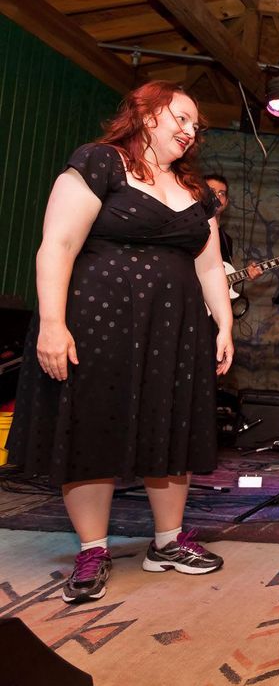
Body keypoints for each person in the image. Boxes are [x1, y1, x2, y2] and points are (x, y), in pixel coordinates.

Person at [7, 80, 233, 604]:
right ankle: (92, 549)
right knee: (93, 427)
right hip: (98, 321)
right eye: (181, 116)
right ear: (147, 112)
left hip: (175, 331)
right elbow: (57, 245)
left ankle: (170, 543)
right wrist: (51, 322)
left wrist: (223, 324)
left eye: (195, 125)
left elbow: (208, 265)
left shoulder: (197, 192)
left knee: (171, 427)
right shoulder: (100, 163)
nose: (189, 130)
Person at [203, 173, 261, 279]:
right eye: (211, 191)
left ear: (226, 203)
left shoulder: (227, 240)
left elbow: (222, 279)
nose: (217, 196)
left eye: (222, 193)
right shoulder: (192, 231)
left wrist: (246, 275)